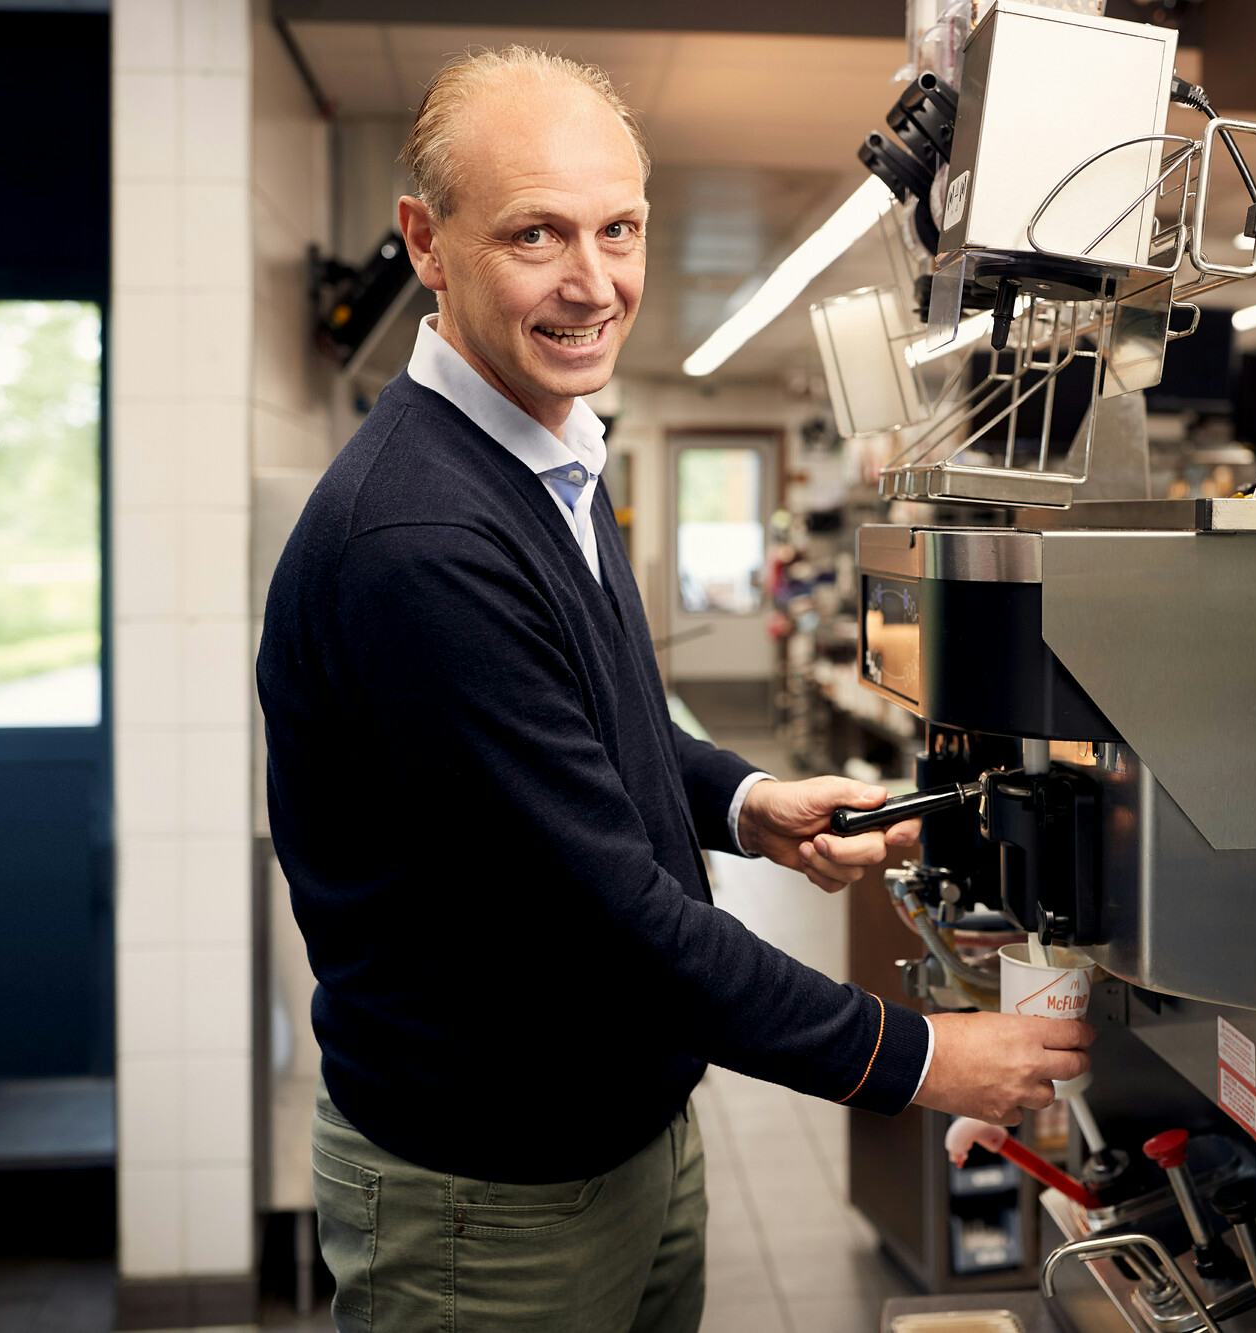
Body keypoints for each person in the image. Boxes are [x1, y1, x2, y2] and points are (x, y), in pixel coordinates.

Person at [256, 46, 1093, 1333]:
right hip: (490, 1198)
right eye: (536, 234)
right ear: (425, 242)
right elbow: (607, 924)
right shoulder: (419, 541)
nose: (593, 282)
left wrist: (744, 799)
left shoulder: (542, 458)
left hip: (624, 1136)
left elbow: (600, 727)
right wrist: (919, 1058)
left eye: (618, 228)